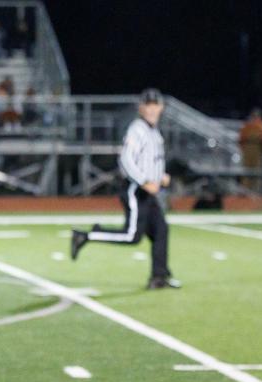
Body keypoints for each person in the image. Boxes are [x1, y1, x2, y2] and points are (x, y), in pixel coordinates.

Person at [71, 89, 180, 289]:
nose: (152, 109)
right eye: (148, 105)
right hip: (135, 190)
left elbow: (150, 160)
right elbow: (127, 160)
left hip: (147, 192)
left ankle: (159, 276)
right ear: (141, 108)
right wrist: (145, 181)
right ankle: (86, 236)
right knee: (132, 236)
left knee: (161, 230)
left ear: (161, 107)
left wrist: (160, 176)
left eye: (155, 105)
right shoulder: (137, 130)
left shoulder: (153, 131)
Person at [238, 108, 262, 191]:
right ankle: (246, 190)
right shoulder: (248, 126)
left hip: (257, 150)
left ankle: (253, 190)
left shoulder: (260, 126)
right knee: (247, 171)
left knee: (255, 171)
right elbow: (241, 139)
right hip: (250, 149)